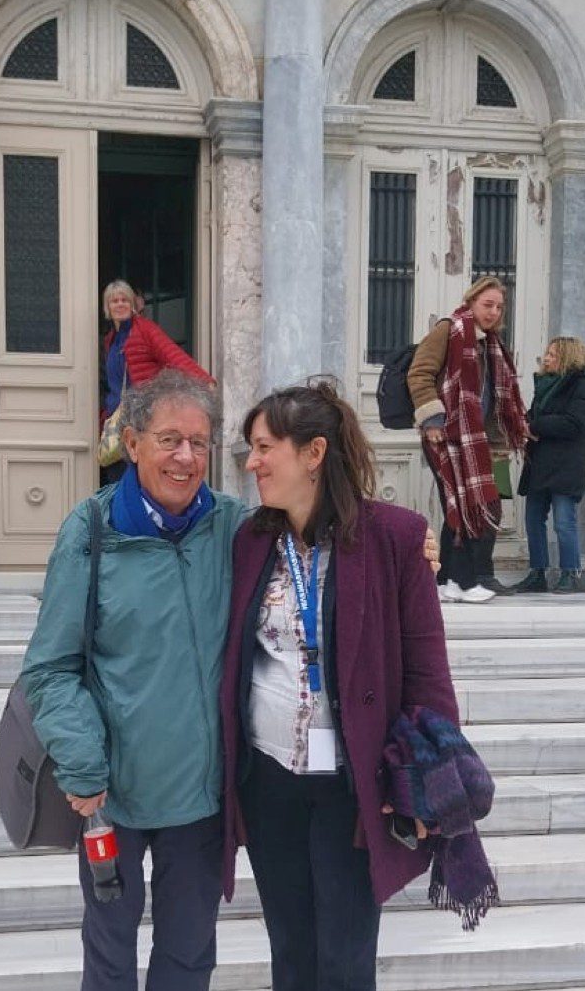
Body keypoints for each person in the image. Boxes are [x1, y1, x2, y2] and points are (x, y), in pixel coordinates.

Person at [219, 381, 460, 991]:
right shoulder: (249, 541)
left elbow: (427, 670)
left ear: (314, 452)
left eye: (264, 447)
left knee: (346, 959)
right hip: (268, 780)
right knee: (290, 949)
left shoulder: (395, 537)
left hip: (352, 787)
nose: (251, 463)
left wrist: (428, 780)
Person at [21, 369, 242, 991]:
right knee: (110, 954)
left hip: (199, 797)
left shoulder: (233, 526)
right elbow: (50, 667)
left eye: (199, 443)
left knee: (189, 955)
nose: (186, 457)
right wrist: (83, 765)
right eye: (170, 439)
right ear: (133, 442)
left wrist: (409, 543)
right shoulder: (91, 531)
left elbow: (319, 531)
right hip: (110, 796)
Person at [407, 276, 529, 604]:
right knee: (463, 505)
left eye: (499, 307)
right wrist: (432, 420)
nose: (493, 312)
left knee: (466, 506)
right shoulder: (449, 330)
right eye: (487, 304)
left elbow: (493, 399)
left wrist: (499, 442)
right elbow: (419, 372)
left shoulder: (491, 344)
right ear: (471, 301)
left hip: (478, 441)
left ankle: (447, 581)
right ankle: (464, 581)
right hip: (445, 435)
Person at [98, 279, 210, 485]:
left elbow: (172, 355)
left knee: (139, 475)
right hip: (116, 421)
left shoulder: (144, 329)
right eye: (115, 301)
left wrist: (204, 382)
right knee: (117, 478)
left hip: (140, 416)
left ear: (133, 304)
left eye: (124, 300)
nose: (120, 304)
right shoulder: (110, 340)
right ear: (108, 307)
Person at [513, 336, 585, 594]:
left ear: (567, 357)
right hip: (539, 461)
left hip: (565, 464)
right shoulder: (545, 385)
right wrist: (523, 424)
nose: (546, 359)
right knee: (533, 519)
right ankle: (537, 573)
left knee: (563, 521)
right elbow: (535, 417)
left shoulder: (582, 386)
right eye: (547, 354)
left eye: (552, 354)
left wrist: (535, 426)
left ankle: (569, 573)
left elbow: (574, 423)